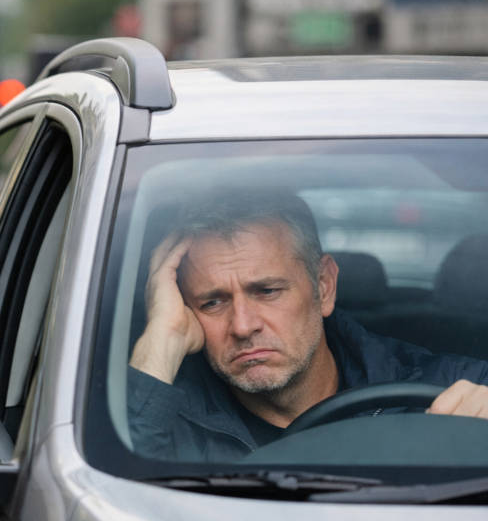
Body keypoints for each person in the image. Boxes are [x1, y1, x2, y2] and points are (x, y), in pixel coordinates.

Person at [126, 188, 488, 460]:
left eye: (267, 291)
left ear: (324, 286)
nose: (243, 326)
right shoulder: (163, 422)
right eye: (213, 302)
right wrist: (161, 342)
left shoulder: (448, 389)